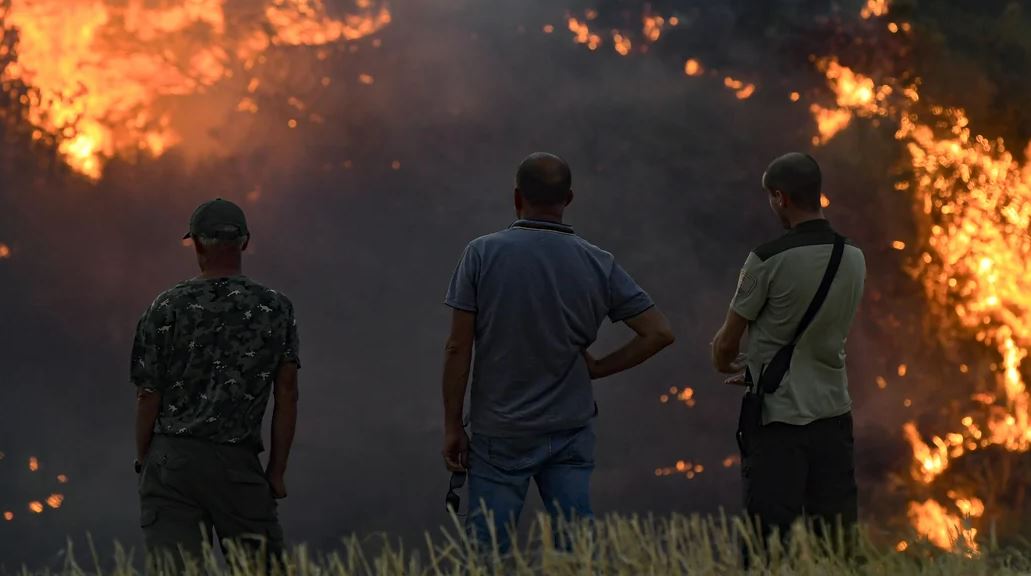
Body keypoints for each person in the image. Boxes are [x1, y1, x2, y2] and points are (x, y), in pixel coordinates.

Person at [441, 152, 675, 552]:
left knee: (487, 555)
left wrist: (452, 426)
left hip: (500, 431)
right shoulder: (597, 262)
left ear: (517, 198)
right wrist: (598, 368)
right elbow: (658, 332)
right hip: (570, 429)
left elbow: (458, 346)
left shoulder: (481, 254)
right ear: (569, 198)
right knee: (577, 550)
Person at [131, 198, 300, 568]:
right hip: (237, 465)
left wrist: (147, 459)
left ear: (197, 244)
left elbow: (148, 393)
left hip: (172, 461)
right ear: (244, 242)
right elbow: (286, 394)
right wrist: (276, 471)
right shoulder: (276, 307)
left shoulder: (166, 306)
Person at [710, 153, 866, 546]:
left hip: (779, 421)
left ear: (780, 198)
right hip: (834, 417)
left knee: (766, 543)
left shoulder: (765, 260)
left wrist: (730, 362)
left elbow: (726, 341)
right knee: (837, 543)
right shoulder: (853, 257)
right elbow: (819, 335)